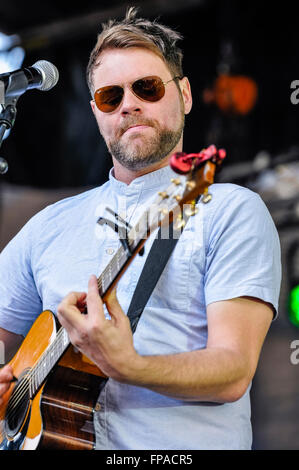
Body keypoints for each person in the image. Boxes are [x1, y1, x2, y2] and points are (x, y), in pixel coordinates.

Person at [0, 7, 281, 450]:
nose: (129, 104)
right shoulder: (47, 226)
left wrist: (128, 365)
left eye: (147, 88)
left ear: (185, 95)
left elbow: (234, 370)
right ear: (96, 113)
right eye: (112, 97)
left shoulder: (228, 208)